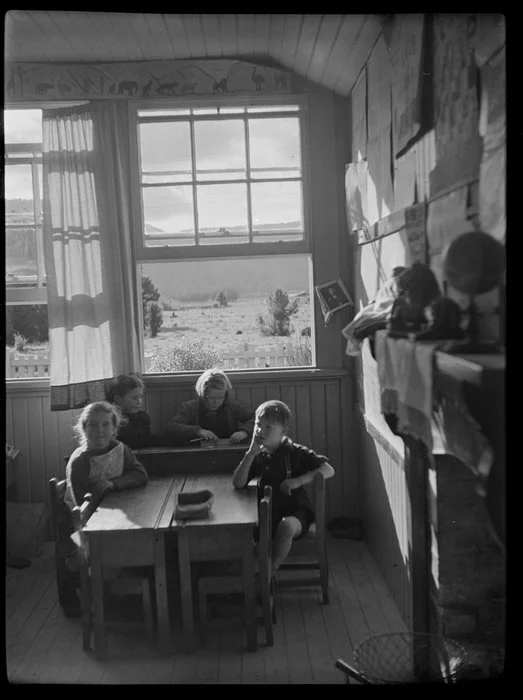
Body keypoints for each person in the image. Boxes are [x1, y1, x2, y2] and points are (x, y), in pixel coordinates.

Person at [57, 401, 148, 617]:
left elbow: (140, 474)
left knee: (146, 537)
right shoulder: (80, 460)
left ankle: (132, 596)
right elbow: (82, 506)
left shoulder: (120, 450)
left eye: (106, 424)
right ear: (84, 428)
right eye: (93, 425)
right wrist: (102, 495)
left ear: (115, 428)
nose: (100, 430)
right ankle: (113, 599)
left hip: (118, 513)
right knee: (126, 545)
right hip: (85, 523)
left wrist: (113, 484)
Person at [232, 399, 335, 572]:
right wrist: (250, 454)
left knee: (286, 527)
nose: (260, 430)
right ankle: (260, 569)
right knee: (244, 534)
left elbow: (328, 469)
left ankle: (272, 570)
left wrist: (297, 481)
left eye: (268, 427)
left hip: (296, 514)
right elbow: (238, 483)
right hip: (266, 516)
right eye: (258, 425)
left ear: (283, 431)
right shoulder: (257, 455)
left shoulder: (294, 452)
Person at [165, 368, 255, 445]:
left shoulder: (232, 406)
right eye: (212, 398)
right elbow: (172, 427)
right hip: (197, 454)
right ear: (203, 394)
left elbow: (256, 418)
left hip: (227, 451)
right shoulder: (190, 407)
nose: (216, 402)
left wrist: (244, 432)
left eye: (221, 397)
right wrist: (198, 431)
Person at [106, 373, 175, 448]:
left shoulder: (142, 417)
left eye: (141, 397)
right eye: (134, 398)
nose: (139, 402)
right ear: (118, 399)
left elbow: (147, 440)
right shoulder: (113, 420)